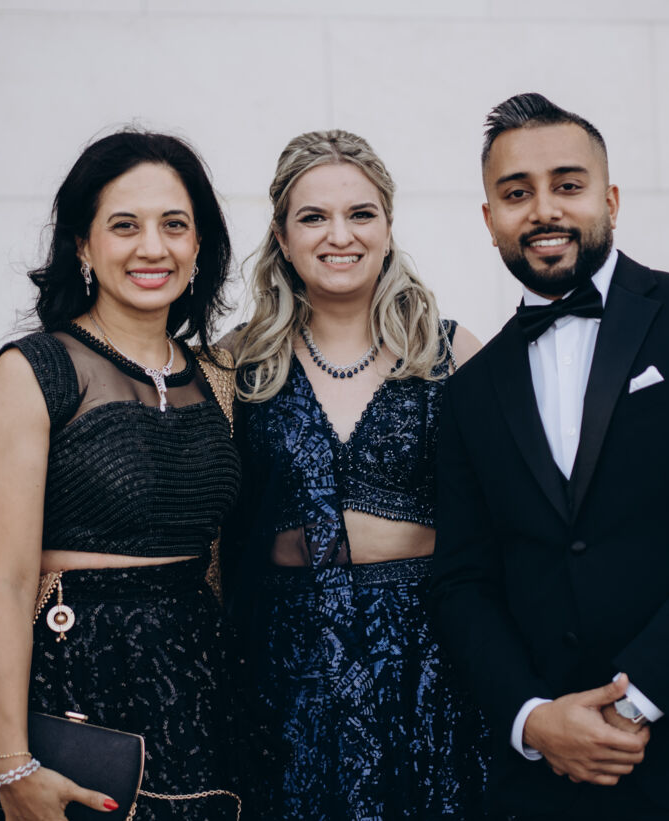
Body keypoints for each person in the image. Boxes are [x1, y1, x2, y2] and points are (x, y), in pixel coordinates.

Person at [431, 93, 669, 821]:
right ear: (489, 220)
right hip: (552, 778)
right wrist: (531, 718)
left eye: (567, 184)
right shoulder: (469, 391)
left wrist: (635, 699)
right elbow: (462, 580)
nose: (544, 209)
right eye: (516, 193)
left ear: (609, 199)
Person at [0, 130, 251, 821]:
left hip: (202, 690)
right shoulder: (35, 371)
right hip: (75, 688)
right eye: (124, 225)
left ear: (199, 246)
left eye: (174, 225)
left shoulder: (217, 378)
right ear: (83, 247)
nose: (152, 247)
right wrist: (12, 760)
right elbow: (8, 581)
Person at [225, 129, 490, 820]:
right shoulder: (237, 363)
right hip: (288, 651)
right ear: (282, 237)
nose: (339, 235)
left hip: (427, 648)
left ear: (388, 227)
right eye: (313, 217)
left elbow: (509, 514)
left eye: (361, 214)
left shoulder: (451, 351)